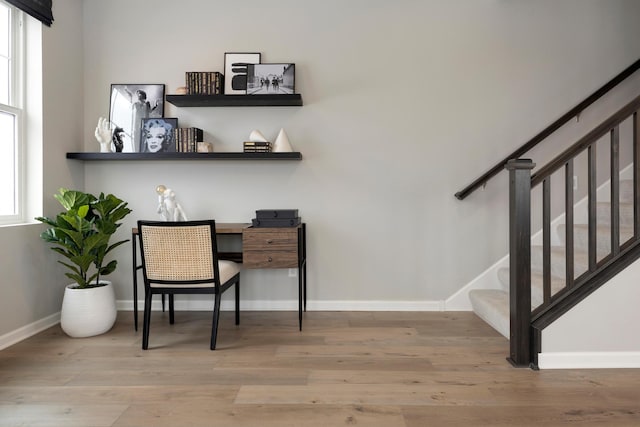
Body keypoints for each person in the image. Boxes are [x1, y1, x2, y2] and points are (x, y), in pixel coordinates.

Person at [125, 87, 160, 151]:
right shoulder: (135, 104)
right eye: (137, 94)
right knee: (136, 139)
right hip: (136, 124)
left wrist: (156, 105)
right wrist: (130, 97)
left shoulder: (147, 104)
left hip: (144, 124)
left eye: (140, 94)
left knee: (144, 139)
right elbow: (130, 109)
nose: (138, 96)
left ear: (143, 95)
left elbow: (150, 111)